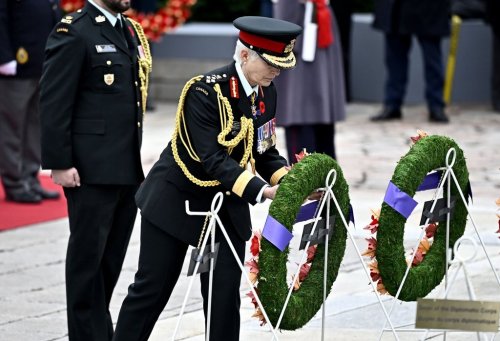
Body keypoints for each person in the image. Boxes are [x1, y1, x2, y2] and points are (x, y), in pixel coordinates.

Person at [112, 16, 302, 341]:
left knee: (224, 297)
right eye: (271, 63)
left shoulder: (265, 93)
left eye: (281, 64)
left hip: (225, 208)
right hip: (176, 202)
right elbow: (212, 159)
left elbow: (265, 150)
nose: (277, 71)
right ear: (244, 55)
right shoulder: (204, 90)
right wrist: (261, 191)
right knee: (152, 290)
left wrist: (289, 181)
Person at [39, 0, 152, 340]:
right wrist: (59, 162)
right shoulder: (74, 31)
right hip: (89, 169)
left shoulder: (128, 29)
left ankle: (99, 332)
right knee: (87, 265)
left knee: (109, 263)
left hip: (125, 166)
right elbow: (54, 99)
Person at [0, 0, 61, 203]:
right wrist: (3, 57)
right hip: (15, 65)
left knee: (35, 126)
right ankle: (14, 182)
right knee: (11, 127)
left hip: (41, 61)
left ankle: (30, 178)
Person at [273, 0, 346, 162]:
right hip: (301, 15)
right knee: (301, 109)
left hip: (314, 16)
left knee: (314, 114)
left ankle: (322, 177)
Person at [370, 0, 450, 123]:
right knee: (394, 61)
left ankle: (436, 105)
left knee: (432, 61)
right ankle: (392, 104)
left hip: (429, 9)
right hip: (395, 9)